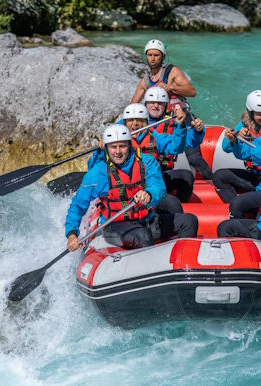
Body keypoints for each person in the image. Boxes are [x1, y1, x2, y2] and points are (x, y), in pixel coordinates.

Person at [65, 124, 198, 251]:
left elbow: (158, 186)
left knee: (189, 221)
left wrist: (149, 193)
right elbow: (77, 205)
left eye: (122, 146)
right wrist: (72, 234)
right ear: (106, 148)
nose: (118, 151)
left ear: (129, 145)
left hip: (148, 220)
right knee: (142, 235)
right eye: (113, 147)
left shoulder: (147, 162)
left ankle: (180, 261)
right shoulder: (97, 174)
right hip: (115, 227)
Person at [214, 90, 261, 205]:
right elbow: (226, 147)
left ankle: (243, 206)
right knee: (220, 176)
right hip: (254, 175)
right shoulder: (244, 125)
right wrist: (234, 138)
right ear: (251, 112)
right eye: (260, 114)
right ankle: (233, 206)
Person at [144, 85, 212, 180]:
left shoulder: (175, 122)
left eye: (160, 103)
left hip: (164, 171)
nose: (156, 106)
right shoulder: (135, 123)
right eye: (152, 102)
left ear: (165, 106)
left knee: (187, 176)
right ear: (145, 104)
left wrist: (198, 131)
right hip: (144, 173)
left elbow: (189, 141)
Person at [129, 39, 197, 112]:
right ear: (146, 57)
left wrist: (170, 88)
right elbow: (132, 106)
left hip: (178, 116)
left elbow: (192, 92)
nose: (152, 59)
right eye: (149, 55)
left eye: (156, 55)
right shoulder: (145, 81)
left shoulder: (173, 71)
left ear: (163, 57)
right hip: (159, 119)